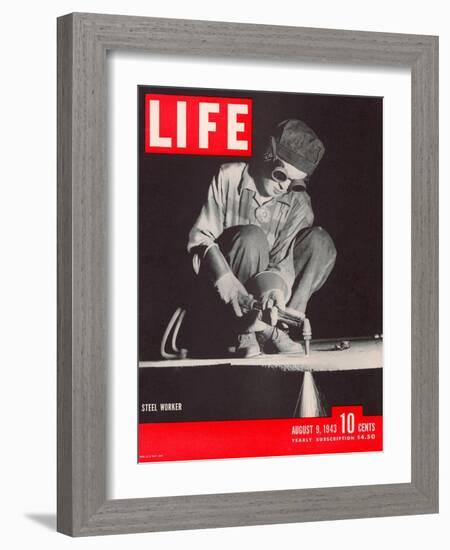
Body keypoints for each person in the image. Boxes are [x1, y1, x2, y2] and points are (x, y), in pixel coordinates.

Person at [187, 119, 337, 357]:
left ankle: (277, 326)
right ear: (268, 155)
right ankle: (243, 329)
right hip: (222, 298)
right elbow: (200, 240)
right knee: (252, 236)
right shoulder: (229, 177)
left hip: (268, 301)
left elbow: (283, 260)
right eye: (281, 175)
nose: (285, 187)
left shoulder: (299, 203)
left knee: (320, 242)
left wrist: (274, 292)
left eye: (295, 182)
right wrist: (227, 283)